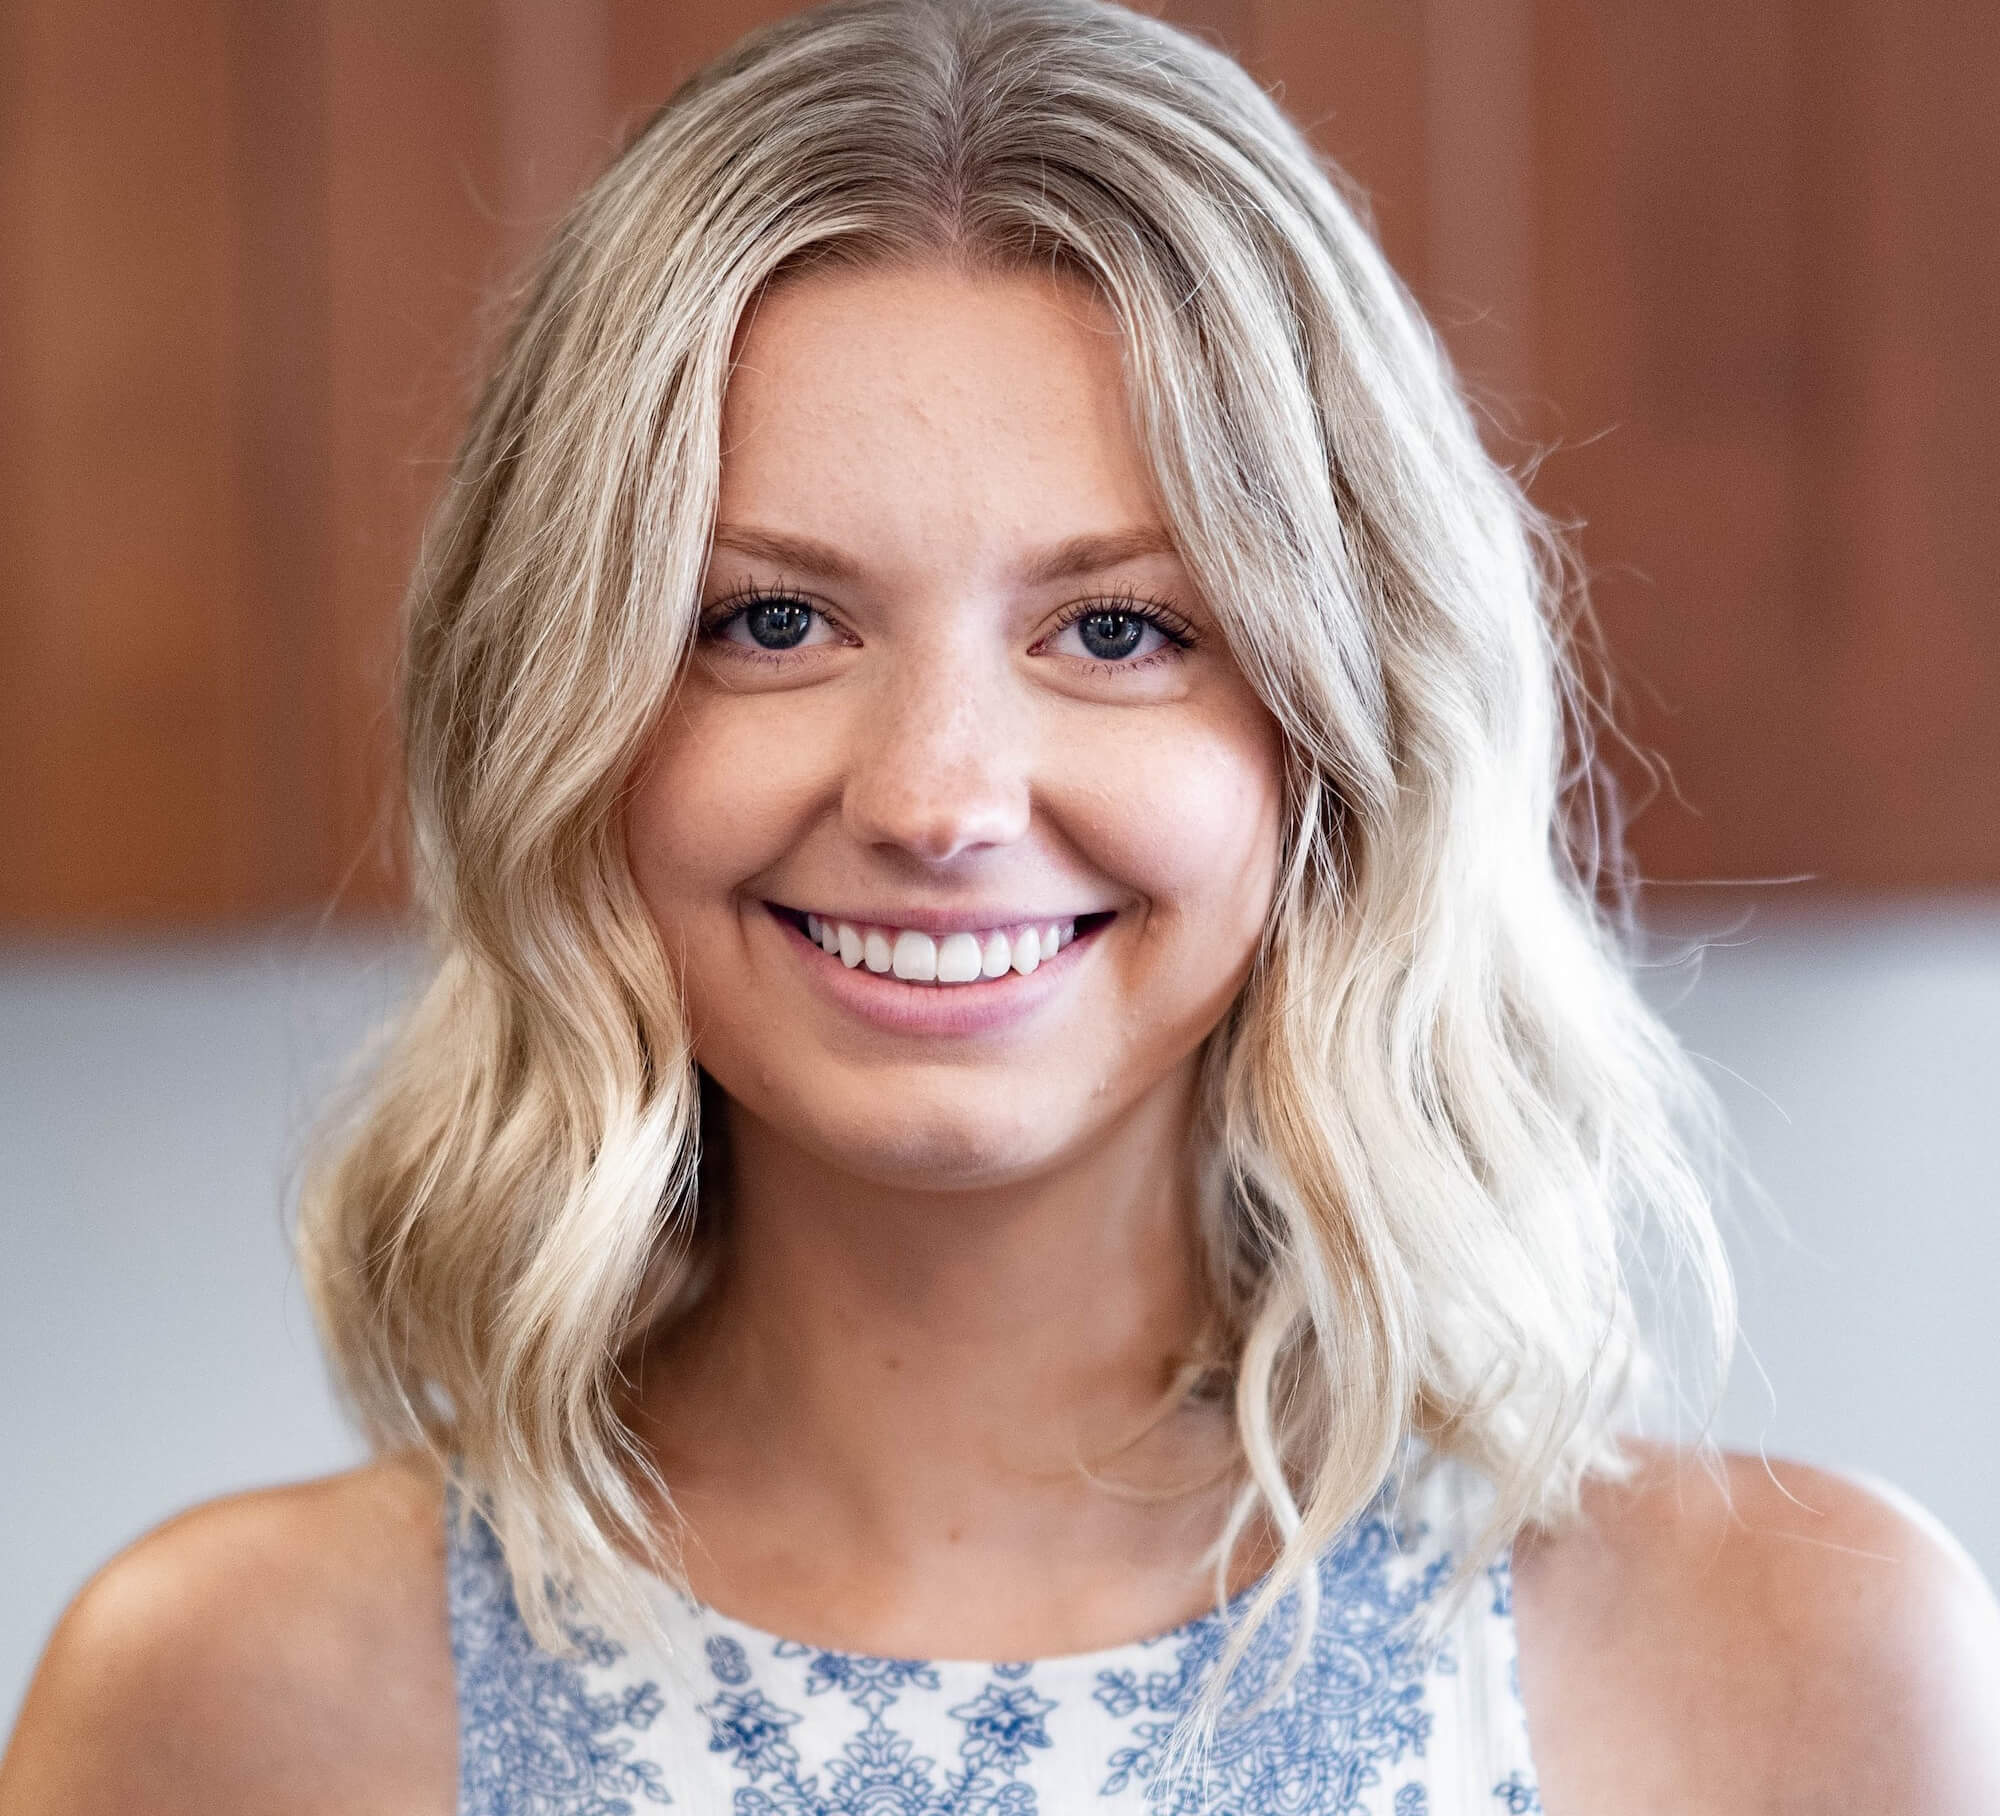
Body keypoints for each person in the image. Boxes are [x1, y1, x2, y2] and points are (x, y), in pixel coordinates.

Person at [5, 0, 1998, 1809]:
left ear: (1342, 723)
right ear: (557, 705)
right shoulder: (225, 1706)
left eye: (1119, 628)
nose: (937, 796)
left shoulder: (1801, 1673)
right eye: (769, 619)